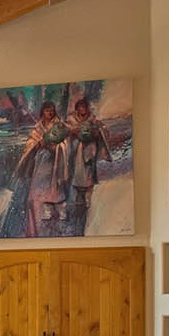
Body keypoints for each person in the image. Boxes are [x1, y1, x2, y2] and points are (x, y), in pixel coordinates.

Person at [14, 101, 70, 237]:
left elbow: (65, 143)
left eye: (51, 110)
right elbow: (30, 142)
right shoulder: (38, 127)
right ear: (42, 112)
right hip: (41, 162)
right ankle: (45, 210)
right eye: (47, 110)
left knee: (55, 185)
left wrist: (55, 146)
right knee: (41, 187)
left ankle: (59, 210)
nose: (49, 113)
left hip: (55, 161)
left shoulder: (59, 126)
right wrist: (38, 144)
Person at [65, 97, 112, 232]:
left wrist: (96, 133)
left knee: (89, 174)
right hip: (76, 152)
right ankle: (79, 198)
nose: (82, 110)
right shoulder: (72, 120)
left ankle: (88, 197)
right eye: (80, 108)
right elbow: (66, 130)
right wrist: (73, 132)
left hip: (89, 151)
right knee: (77, 175)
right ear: (77, 109)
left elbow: (102, 129)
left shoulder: (93, 120)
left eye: (84, 107)